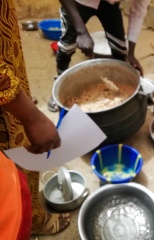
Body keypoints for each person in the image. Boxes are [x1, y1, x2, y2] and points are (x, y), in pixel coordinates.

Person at [1, 0, 70, 235]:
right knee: (13, 173)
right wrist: (31, 117)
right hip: (5, 97)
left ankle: (31, 219)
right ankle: (27, 222)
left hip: (9, 84)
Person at [48, 0, 150, 112]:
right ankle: (59, 84)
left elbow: (138, 13)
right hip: (78, 2)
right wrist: (81, 32)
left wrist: (131, 53)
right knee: (67, 47)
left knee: (120, 51)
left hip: (110, 4)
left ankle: (117, 90)